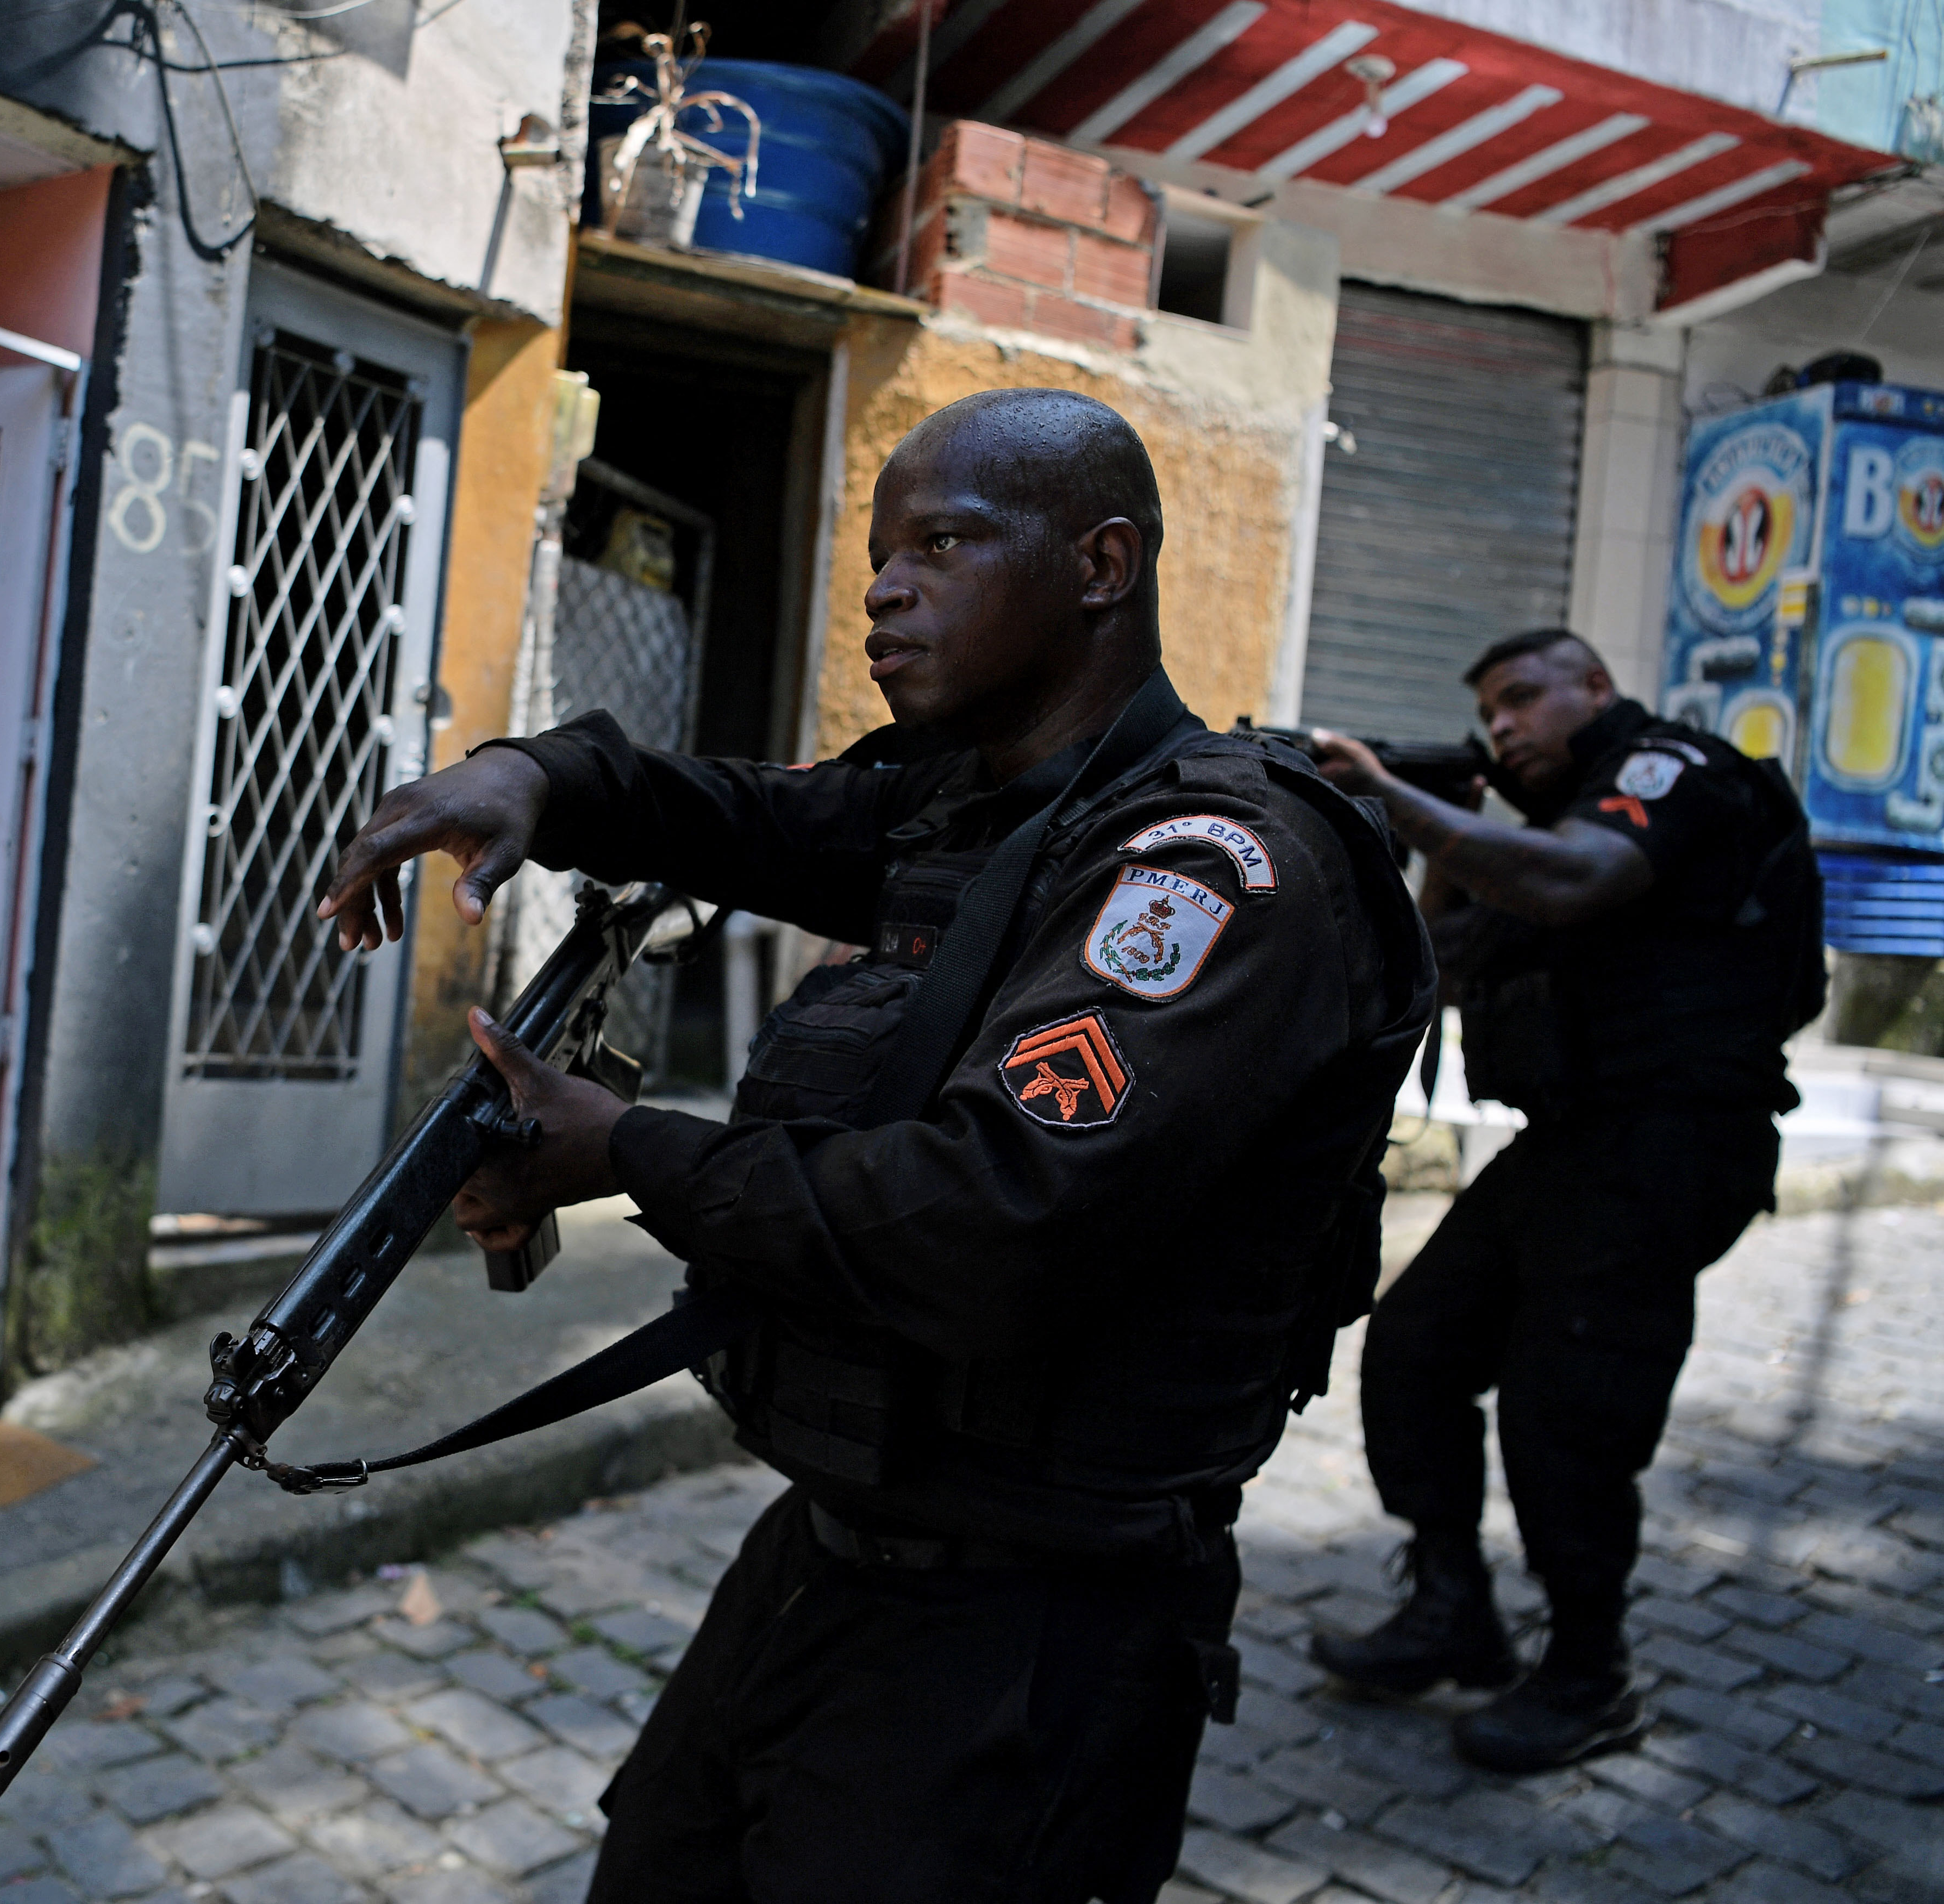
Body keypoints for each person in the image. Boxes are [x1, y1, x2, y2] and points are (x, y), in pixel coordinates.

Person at [318, 389, 1433, 1903]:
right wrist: (535, 775)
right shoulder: (969, 806)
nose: (881, 587)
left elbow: (988, 1215)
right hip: (833, 1550)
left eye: (941, 545)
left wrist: (621, 1151)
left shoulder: (1209, 870)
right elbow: (748, 815)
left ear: (1100, 566)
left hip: (1028, 1632)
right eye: (875, 552)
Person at [1307, 629, 1823, 1772]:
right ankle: (1454, 1610)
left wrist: (1395, 792)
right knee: (1415, 1348)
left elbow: (1584, 878)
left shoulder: (1663, 776)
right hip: (1575, 1142)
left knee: (1565, 1409)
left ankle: (1592, 1678)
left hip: (1674, 1143)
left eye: (1520, 700)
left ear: (1593, 687)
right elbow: (1437, 955)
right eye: (1488, 713)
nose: (1502, 726)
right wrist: (1430, 820)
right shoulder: (1530, 838)